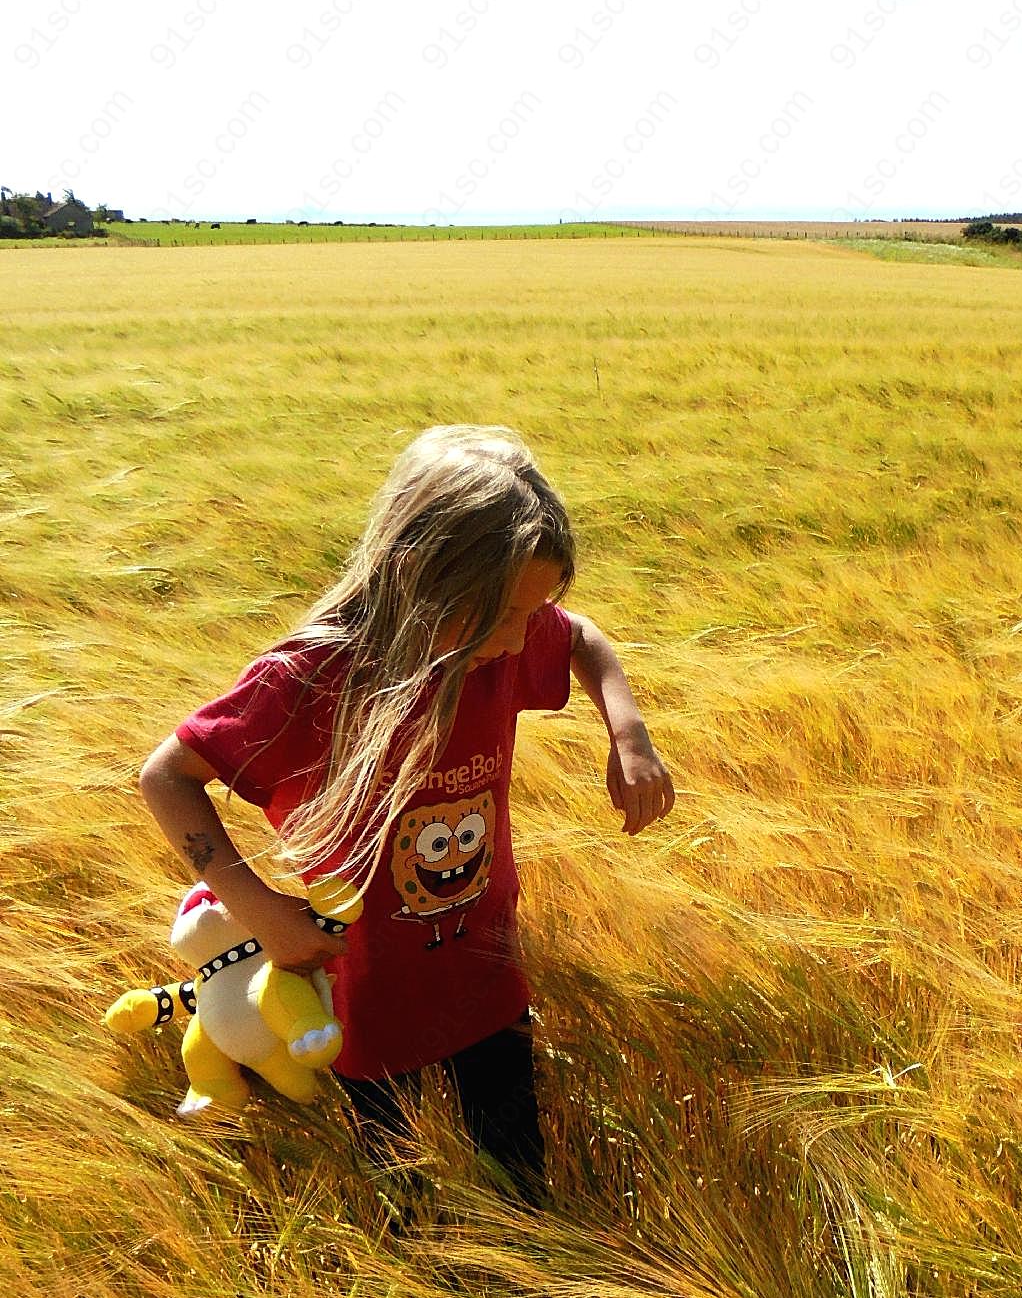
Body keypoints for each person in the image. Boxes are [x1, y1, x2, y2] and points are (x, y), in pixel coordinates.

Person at [137, 423, 675, 1225]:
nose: (521, 640)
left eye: (534, 612)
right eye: (504, 615)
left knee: (522, 1193)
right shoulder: (311, 679)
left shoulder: (497, 643)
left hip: (489, 976)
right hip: (368, 1004)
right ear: (417, 577)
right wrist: (261, 912)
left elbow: (584, 637)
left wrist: (628, 736)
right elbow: (167, 777)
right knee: (413, 1212)